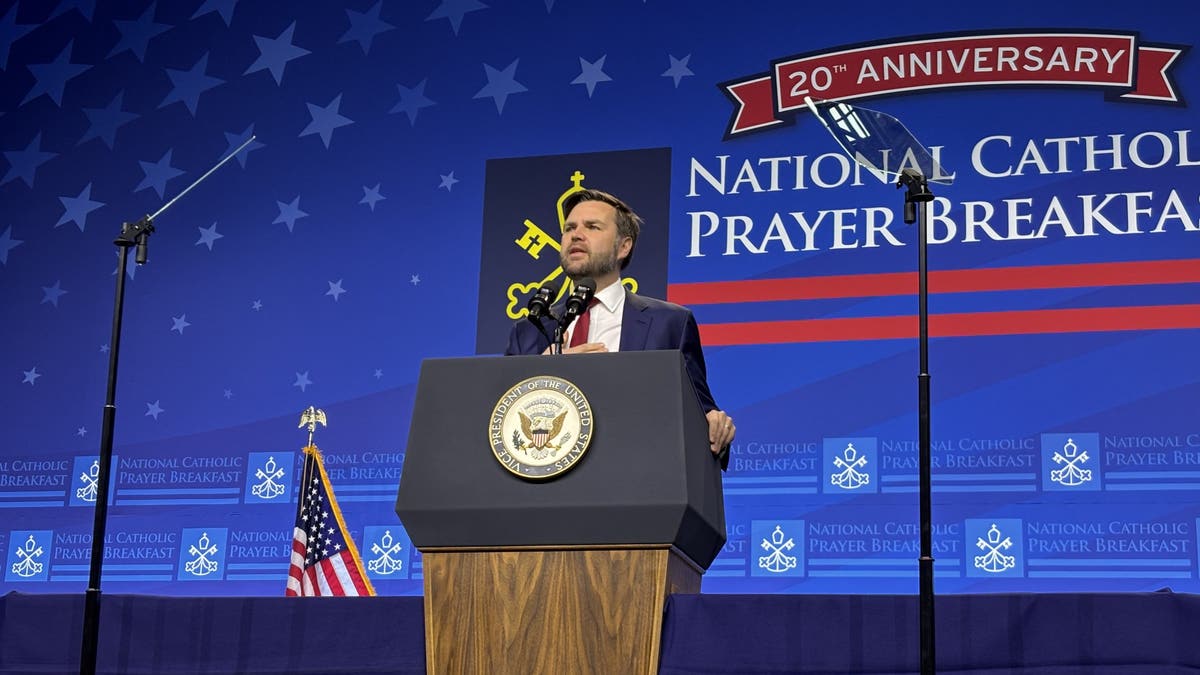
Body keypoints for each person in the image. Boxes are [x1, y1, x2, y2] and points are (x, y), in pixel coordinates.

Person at [505, 188, 735, 468]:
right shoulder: (531, 330)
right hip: (542, 485)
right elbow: (500, 419)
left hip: (635, 476)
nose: (576, 235)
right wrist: (546, 372)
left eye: (592, 227)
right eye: (569, 228)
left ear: (623, 247)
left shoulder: (669, 323)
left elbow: (698, 410)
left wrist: (713, 422)